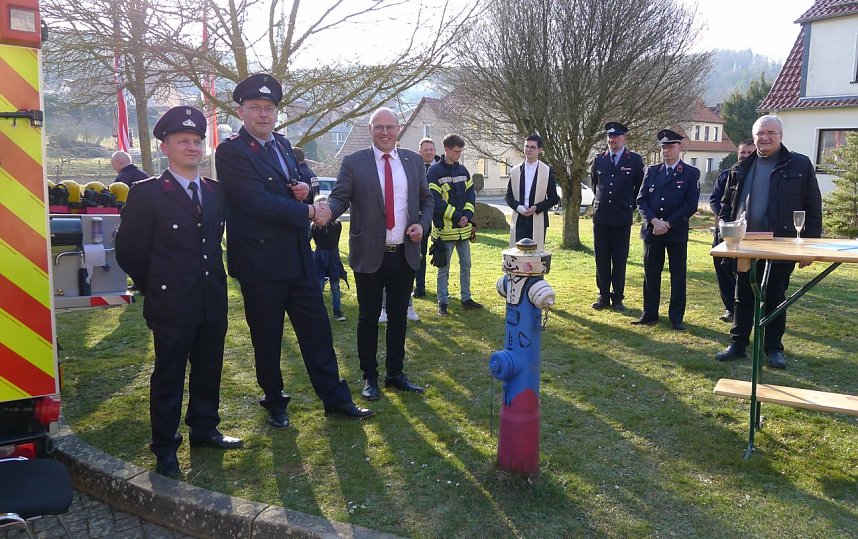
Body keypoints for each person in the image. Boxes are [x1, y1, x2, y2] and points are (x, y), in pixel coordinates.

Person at [214, 73, 373, 426]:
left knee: (317, 332)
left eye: (269, 108)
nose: (263, 114)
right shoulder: (231, 151)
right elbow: (256, 203)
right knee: (267, 340)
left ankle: (335, 399)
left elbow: (296, 180)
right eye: (255, 107)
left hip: (299, 257)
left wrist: (303, 187)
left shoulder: (283, 145)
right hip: (261, 263)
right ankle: (275, 403)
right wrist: (309, 210)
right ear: (241, 111)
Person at [115, 106, 241, 478]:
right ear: (165, 147)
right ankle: (165, 446)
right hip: (171, 302)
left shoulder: (216, 192)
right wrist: (157, 284)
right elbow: (129, 252)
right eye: (182, 141)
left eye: (196, 141)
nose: (192, 147)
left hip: (210, 297)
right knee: (169, 375)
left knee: (208, 368)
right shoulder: (148, 193)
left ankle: (204, 428)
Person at [324, 107, 432, 401]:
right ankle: (369, 376)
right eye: (379, 127)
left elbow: (427, 200)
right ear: (370, 129)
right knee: (368, 317)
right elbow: (339, 199)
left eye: (390, 127)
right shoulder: (354, 162)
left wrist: (422, 225)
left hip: (404, 253)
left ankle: (395, 374)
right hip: (370, 253)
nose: (385, 132)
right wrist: (324, 213)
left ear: (398, 130)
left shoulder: (412, 161)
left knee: (398, 317)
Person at [715, 115, 822, 369]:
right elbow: (726, 205)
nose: (764, 138)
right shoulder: (741, 166)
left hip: (781, 244)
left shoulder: (799, 164)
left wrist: (810, 247)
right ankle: (737, 344)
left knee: (775, 296)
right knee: (743, 297)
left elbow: (813, 207)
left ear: (780, 136)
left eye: (770, 133)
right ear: (754, 137)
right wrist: (726, 235)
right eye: (760, 133)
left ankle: (773, 348)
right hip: (745, 245)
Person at [633, 129, 700, 331]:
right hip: (653, 232)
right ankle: (649, 314)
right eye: (664, 147)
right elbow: (641, 200)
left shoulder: (690, 173)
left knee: (678, 276)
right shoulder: (652, 171)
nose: (667, 151)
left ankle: (676, 317)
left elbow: (690, 205)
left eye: (671, 147)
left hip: (675, 231)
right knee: (651, 274)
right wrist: (653, 221)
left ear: (680, 148)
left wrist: (668, 224)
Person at [589, 122, 645, 311]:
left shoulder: (634, 160)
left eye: (616, 137)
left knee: (619, 258)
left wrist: (631, 206)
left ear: (624, 138)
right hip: (602, 217)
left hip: (621, 217)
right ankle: (603, 295)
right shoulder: (599, 159)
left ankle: (618, 297)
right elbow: (595, 185)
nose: (612, 140)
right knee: (601, 257)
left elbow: (640, 188)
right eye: (609, 137)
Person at [428, 133, 482, 316]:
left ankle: (466, 299)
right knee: (444, 269)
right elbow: (435, 201)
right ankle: (442, 302)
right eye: (457, 151)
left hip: (463, 231)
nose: (459, 154)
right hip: (445, 232)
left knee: (466, 265)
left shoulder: (463, 170)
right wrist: (458, 216)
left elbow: (470, 195)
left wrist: (467, 215)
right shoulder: (434, 172)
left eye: (461, 151)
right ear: (447, 149)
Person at [710, 138, 756, 323]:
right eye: (742, 152)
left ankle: (747, 309)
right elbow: (716, 200)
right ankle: (730, 308)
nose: (745, 156)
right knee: (723, 271)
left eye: (749, 153)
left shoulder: (758, 176)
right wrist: (724, 220)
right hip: (726, 231)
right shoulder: (727, 174)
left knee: (745, 274)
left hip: (750, 235)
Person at [505, 133, 560, 250]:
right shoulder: (515, 171)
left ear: (540, 150)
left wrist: (537, 207)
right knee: (517, 257)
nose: (528, 150)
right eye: (526, 146)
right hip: (519, 219)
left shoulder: (546, 170)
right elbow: (508, 197)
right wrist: (519, 208)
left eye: (532, 147)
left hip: (538, 218)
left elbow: (554, 198)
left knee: (535, 258)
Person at [311, 195, 347, 322]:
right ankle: (318, 312)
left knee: (335, 285)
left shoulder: (336, 225)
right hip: (320, 257)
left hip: (333, 257)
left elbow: (333, 241)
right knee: (318, 285)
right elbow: (315, 241)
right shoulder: (314, 227)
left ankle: (337, 311)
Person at [413, 137, 441, 299]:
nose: (429, 152)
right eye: (426, 150)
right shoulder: (415, 167)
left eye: (431, 150)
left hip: (440, 217)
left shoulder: (441, 168)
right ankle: (420, 287)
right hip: (420, 216)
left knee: (442, 253)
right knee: (419, 253)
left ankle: (442, 291)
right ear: (420, 152)